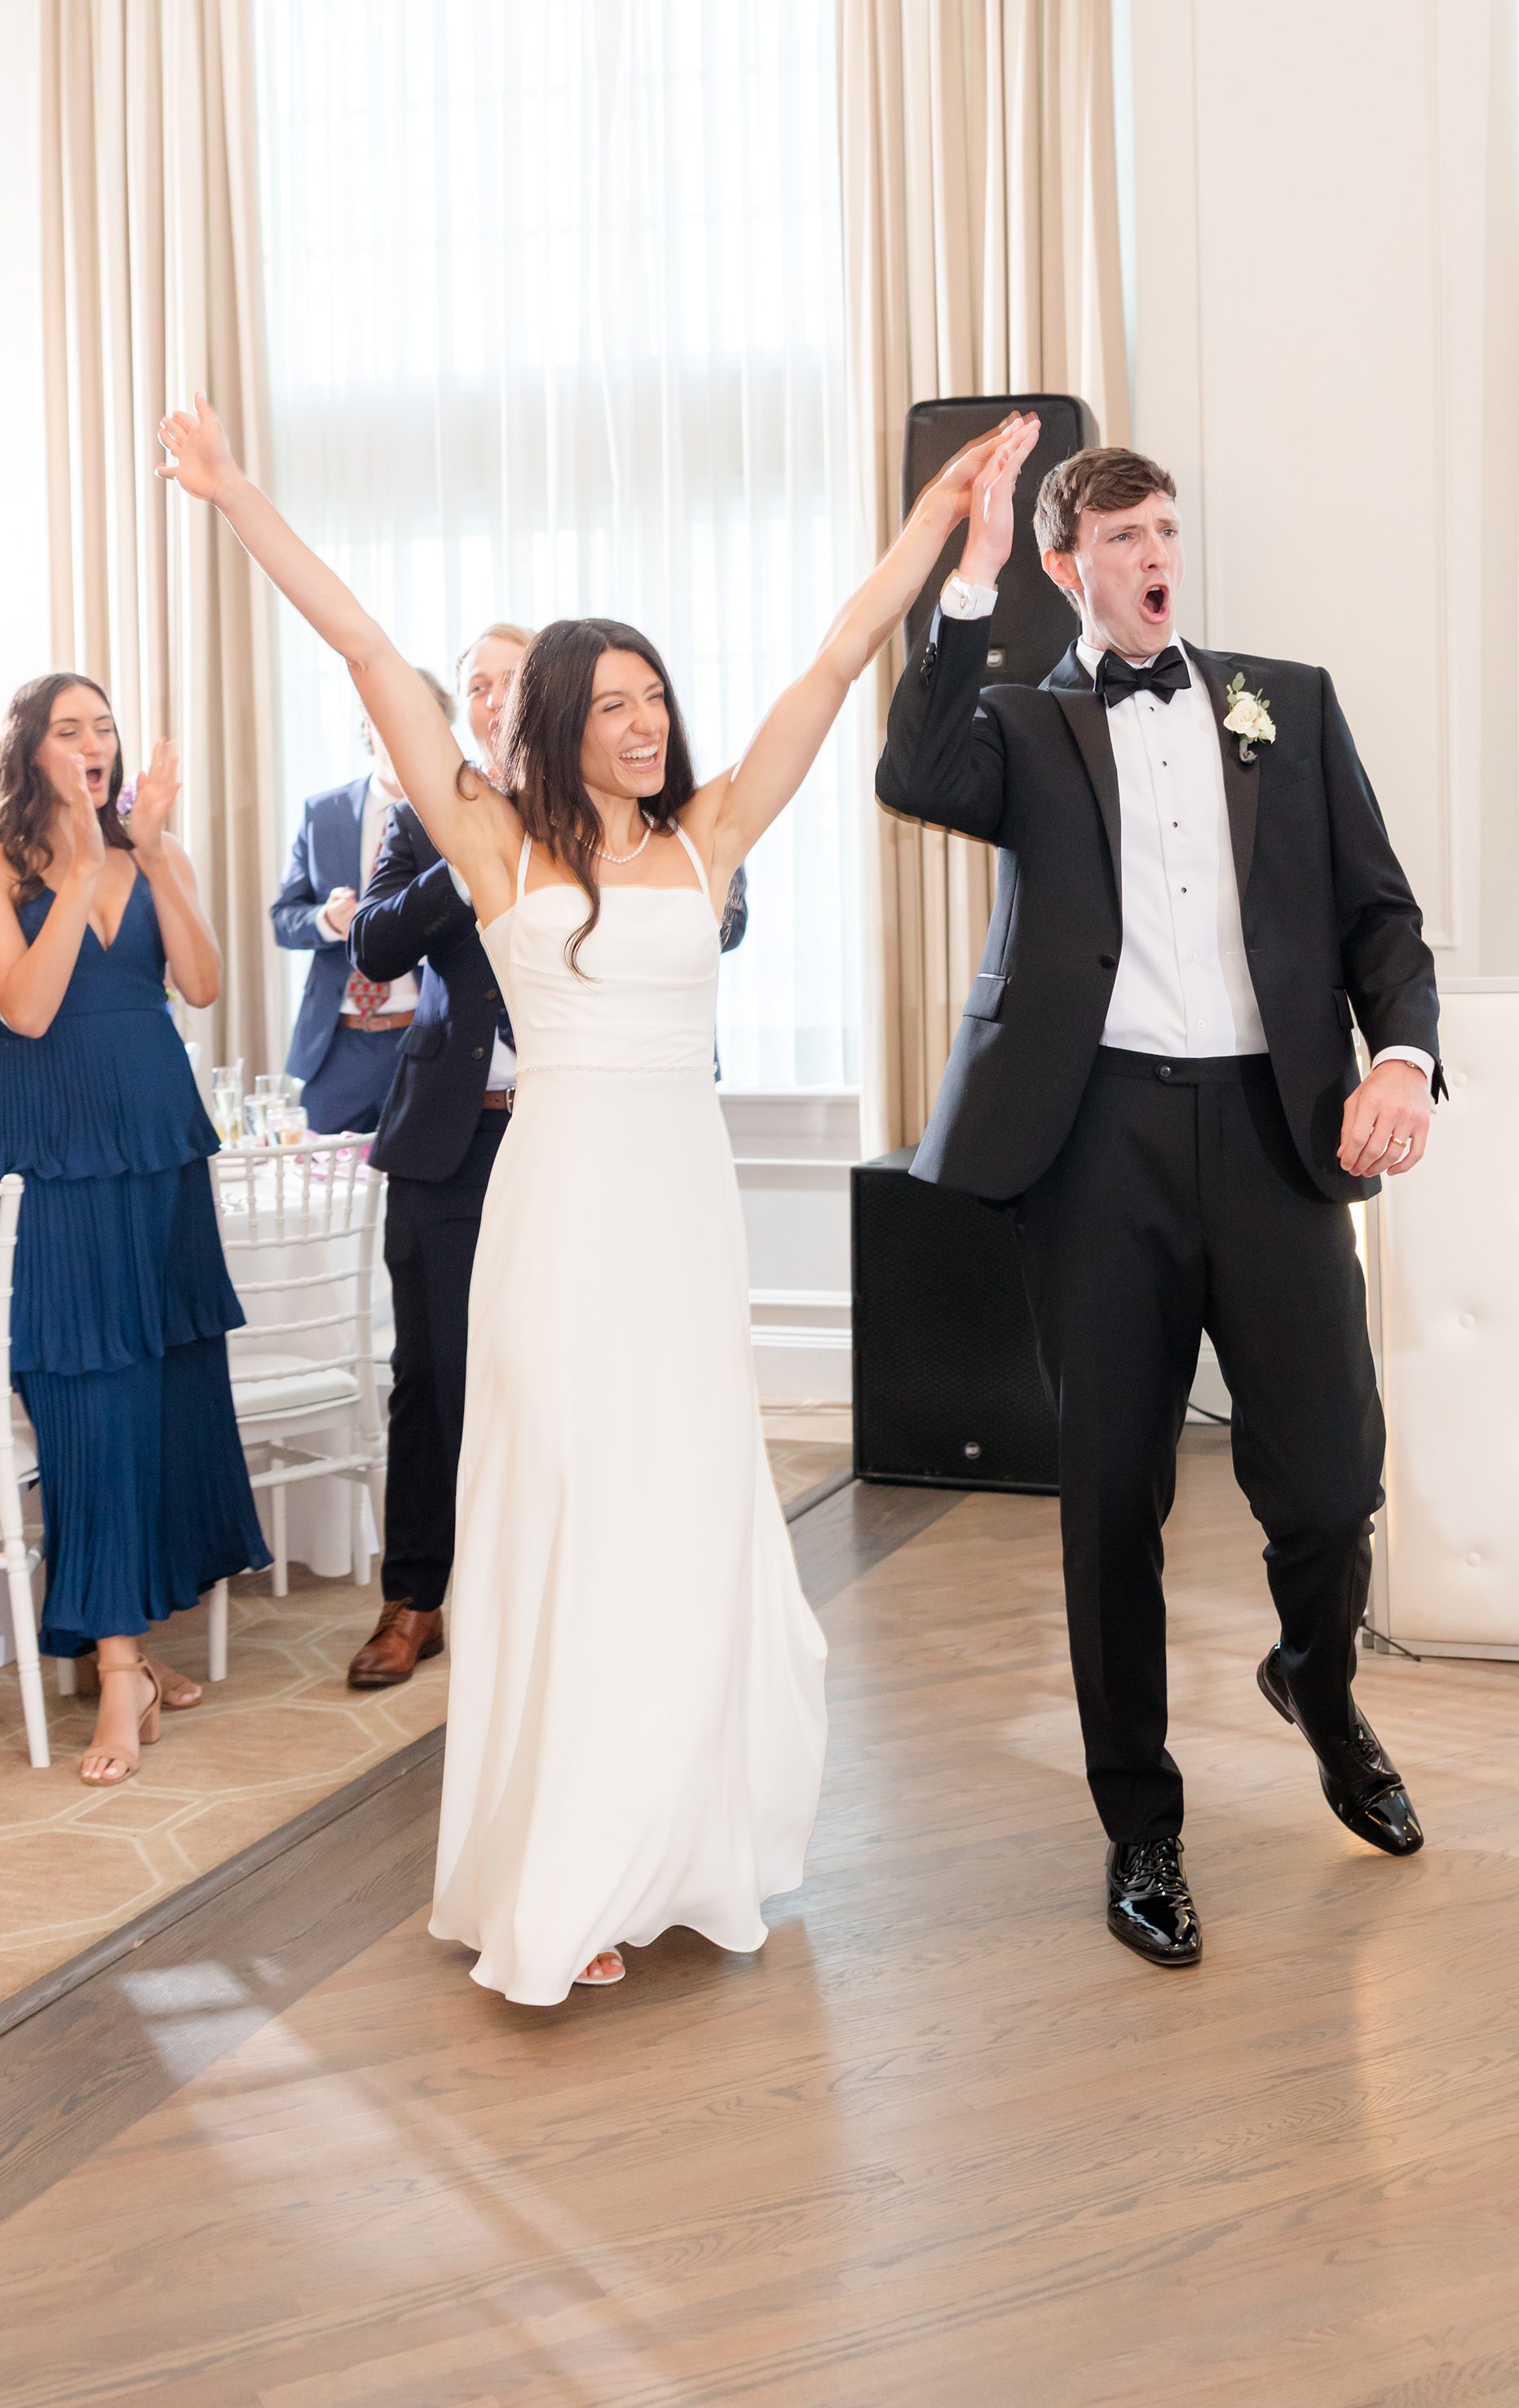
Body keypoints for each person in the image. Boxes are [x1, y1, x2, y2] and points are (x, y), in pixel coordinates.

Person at [156, 386, 1030, 2004]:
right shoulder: (493, 846)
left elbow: (834, 661)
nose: (646, 723)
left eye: (655, 699)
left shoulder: (708, 836)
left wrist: (948, 529)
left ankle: (677, 1843)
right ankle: (573, 1870)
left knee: (681, 1519)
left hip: (678, 1210)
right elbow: (364, 652)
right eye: (614, 702)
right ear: (554, 717)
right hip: (558, 1217)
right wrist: (236, 497)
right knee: (571, 1516)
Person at [877, 443, 1443, 1972]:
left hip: (1275, 1131)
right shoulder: (1023, 721)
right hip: (1097, 1140)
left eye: (1167, 531)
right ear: (1074, 566)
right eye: (1122, 536)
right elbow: (912, 774)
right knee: (1113, 1496)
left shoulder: (1287, 703)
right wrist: (970, 569)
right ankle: (1143, 1826)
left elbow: (1381, 916)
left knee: (1331, 1483)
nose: (1153, 554)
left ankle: (1317, 1687)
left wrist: (1400, 1056)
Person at [341, 620, 753, 1694]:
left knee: (580, 1388)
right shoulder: (451, 820)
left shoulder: (652, 821)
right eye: (473, 682)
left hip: (612, 1141)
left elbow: (726, 913)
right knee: (436, 1374)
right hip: (456, 1128)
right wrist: (488, 838)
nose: (486, 697)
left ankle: (570, 1604)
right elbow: (377, 945)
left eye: (506, 682)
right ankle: (419, 1596)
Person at [0, 675, 269, 1784]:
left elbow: (200, 985)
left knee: (161, 1399)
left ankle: (134, 1653)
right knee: (87, 1402)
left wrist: (149, 853)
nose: (94, 744)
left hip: (165, 1154)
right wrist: (80, 867)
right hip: (70, 1168)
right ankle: (117, 1673)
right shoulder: (10, 872)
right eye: (70, 731)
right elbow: (27, 1008)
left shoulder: (156, 852)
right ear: (31, 752)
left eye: (103, 727)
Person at [268, 676, 455, 1136]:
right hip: (336, 1046)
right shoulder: (323, 813)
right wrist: (327, 921)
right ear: (367, 725)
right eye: (384, 717)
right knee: (322, 1197)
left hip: (424, 1036)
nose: (397, 731)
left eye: (414, 719)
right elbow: (283, 919)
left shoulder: (455, 815)